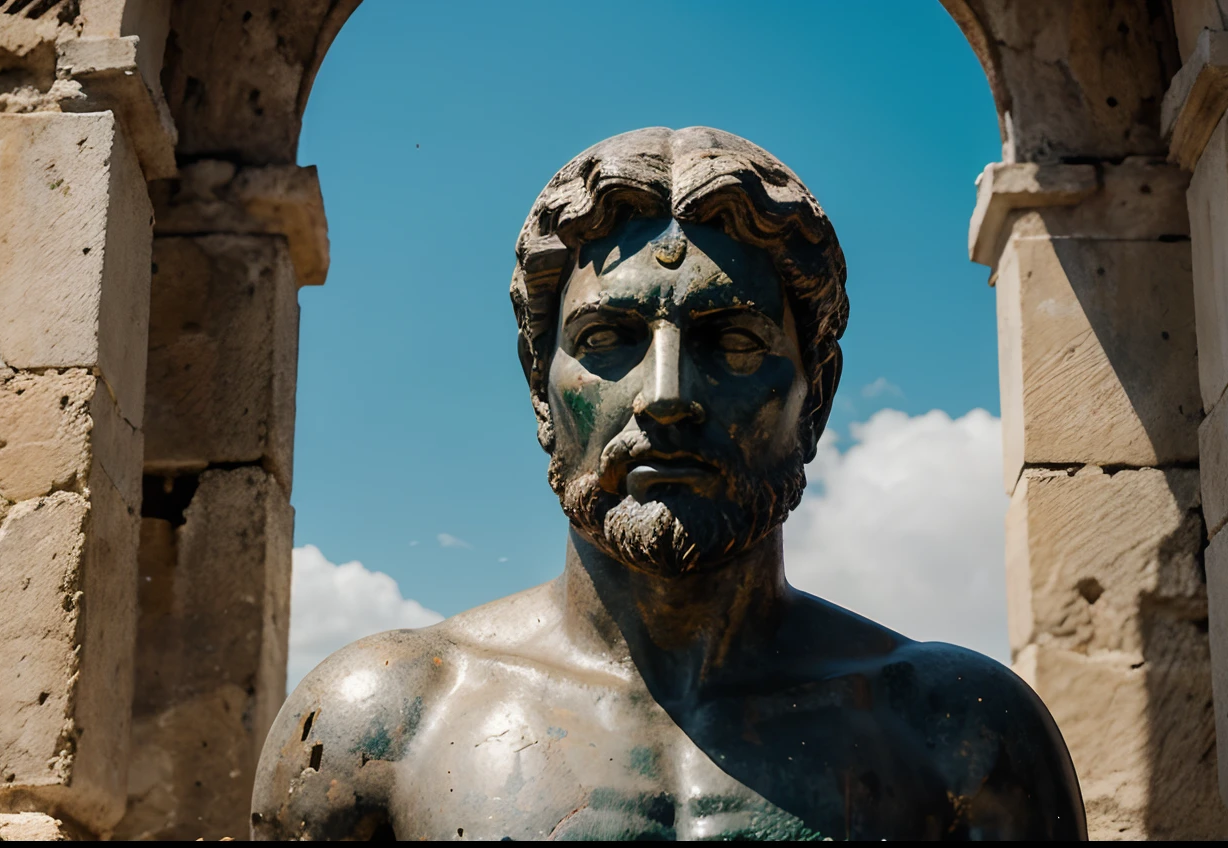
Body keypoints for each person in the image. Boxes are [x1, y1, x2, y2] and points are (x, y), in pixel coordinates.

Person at [251, 127, 1085, 841]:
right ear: (542, 388)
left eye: (733, 342)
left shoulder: (963, 734)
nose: (665, 395)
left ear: (817, 395)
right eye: (608, 338)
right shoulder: (381, 724)